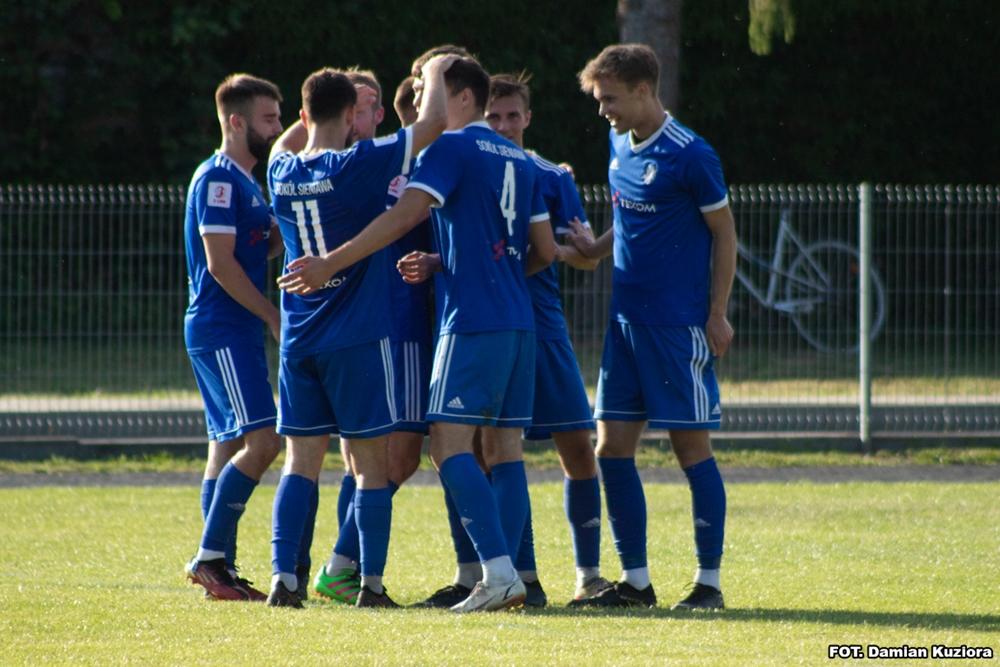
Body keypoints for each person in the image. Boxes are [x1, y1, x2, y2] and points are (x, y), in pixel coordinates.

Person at [277, 56, 557, 612]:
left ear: (461, 96)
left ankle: (497, 574)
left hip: (468, 321)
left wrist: (331, 262)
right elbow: (539, 248)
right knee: (503, 452)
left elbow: (403, 216)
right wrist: (452, 263)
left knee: (445, 447)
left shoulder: (449, 149)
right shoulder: (520, 159)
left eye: (431, 88)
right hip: (517, 320)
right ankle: (513, 573)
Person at [264, 56, 455, 608]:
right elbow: (434, 122)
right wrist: (437, 70)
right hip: (357, 338)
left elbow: (291, 138)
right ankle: (369, 585)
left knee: (299, 463)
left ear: (303, 113)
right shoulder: (358, 163)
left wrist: (324, 102)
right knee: (371, 468)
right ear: (351, 116)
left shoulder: (280, 168)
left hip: (300, 340)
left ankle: (285, 578)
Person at [569, 44, 736, 611]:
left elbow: (724, 233)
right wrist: (593, 248)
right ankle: (637, 583)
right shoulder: (619, 141)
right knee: (610, 449)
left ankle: (709, 584)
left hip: (675, 327)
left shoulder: (692, 154)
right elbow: (628, 214)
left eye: (610, 99)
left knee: (691, 449)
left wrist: (717, 312)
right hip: (625, 326)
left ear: (643, 90)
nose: (603, 111)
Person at [311, 68, 435, 605]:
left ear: (379, 114)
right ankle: (341, 567)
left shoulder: (396, 164)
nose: (355, 118)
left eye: (365, 107)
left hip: (401, 323)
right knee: (388, 461)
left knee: (375, 462)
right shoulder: (330, 171)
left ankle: (342, 567)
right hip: (373, 330)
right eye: (350, 107)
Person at [183, 73, 284, 602]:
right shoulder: (218, 179)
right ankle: (209, 558)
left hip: (230, 327)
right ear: (237, 122)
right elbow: (220, 264)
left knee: (224, 447)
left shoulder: (246, 181)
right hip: (224, 327)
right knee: (264, 442)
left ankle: (218, 566)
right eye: (269, 119)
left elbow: (252, 249)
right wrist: (271, 314)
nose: (278, 128)